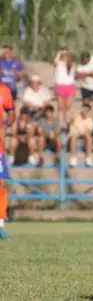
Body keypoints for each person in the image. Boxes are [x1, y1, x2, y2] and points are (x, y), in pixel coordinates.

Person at [0, 82, 17, 240]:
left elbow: (12, 114)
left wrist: (5, 126)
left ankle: (0, 225)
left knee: (1, 184)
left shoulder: (4, 90)